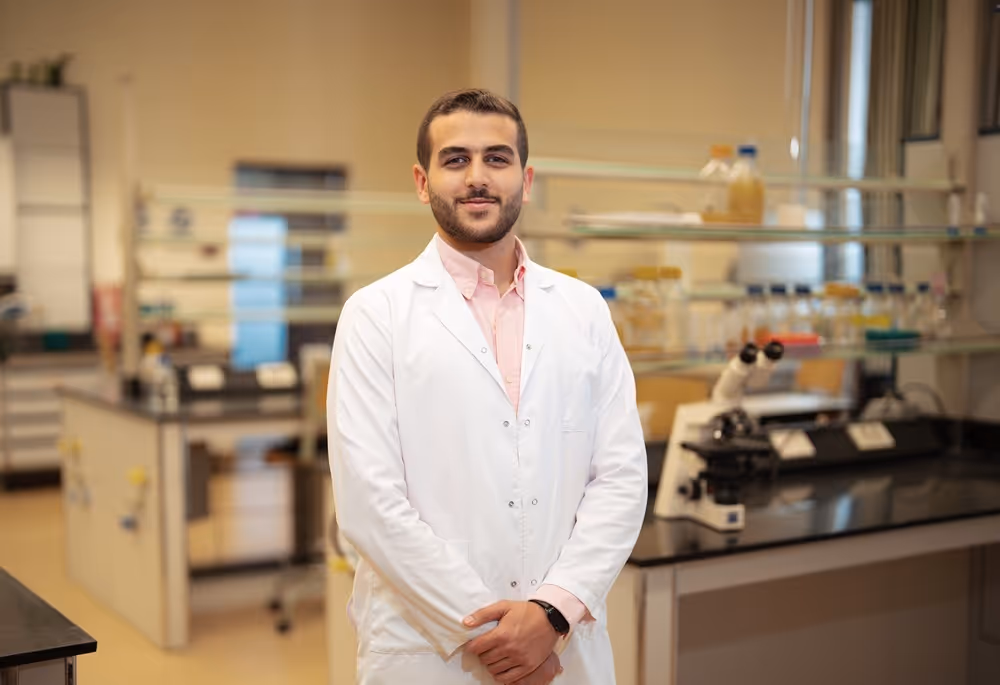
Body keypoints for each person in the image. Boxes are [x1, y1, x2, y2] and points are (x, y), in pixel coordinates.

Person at [328, 88, 647, 684]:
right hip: (432, 653)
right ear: (422, 182)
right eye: (456, 159)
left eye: (497, 158)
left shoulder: (582, 309)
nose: (477, 176)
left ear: (526, 179)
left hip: (563, 647)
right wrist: (500, 636)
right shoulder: (375, 315)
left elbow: (622, 478)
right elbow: (371, 505)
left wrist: (552, 612)